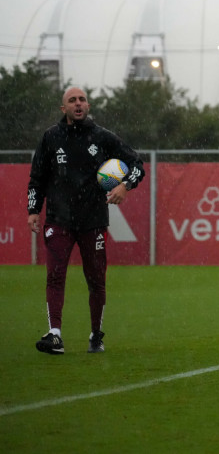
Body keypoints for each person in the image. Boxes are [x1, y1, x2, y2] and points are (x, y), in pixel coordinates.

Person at [27, 87, 145, 354]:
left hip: (93, 222)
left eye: (82, 100)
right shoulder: (51, 137)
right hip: (58, 220)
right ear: (63, 109)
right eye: (72, 100)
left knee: (96, 281)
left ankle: (95, 334)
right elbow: (37, 178)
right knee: (55, 276)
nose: (78, 104)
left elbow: (138, 165)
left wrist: (125, 186)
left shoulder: (102, 137)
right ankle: (55, 335)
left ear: (88, 106)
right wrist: (33, 210)